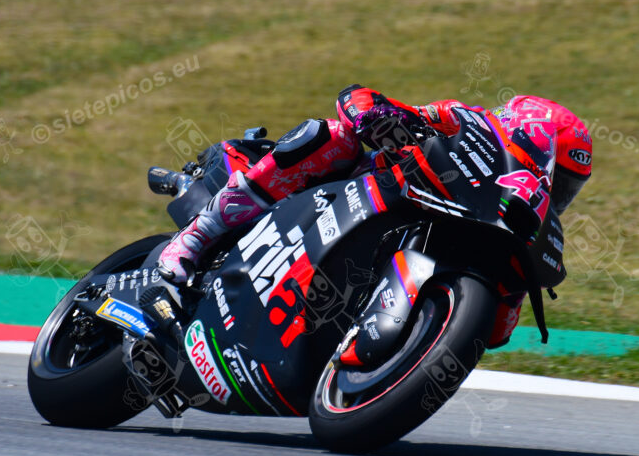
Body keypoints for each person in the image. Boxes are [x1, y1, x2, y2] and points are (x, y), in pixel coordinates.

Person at [157, 85, 592, 344]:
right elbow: (358, 98)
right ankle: (197, 236)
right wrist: (381, 117)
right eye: (561, 177)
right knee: (334, 136)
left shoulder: (510, 219)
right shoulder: (463, 120)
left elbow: (494, 335)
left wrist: (510, 286)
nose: (557, 193)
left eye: (567, 187)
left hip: (387, 247)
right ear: (528, 136)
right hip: (342, 193)